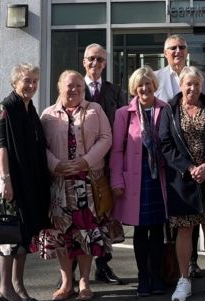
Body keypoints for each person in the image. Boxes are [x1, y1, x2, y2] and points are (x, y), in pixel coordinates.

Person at [39, 70, 112, 301]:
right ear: (59, 87)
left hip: (87, 182)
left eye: (79, 86)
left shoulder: (95, 110)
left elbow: (106, 138)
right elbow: (41, 146)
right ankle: (66, 282)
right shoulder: (48, 115)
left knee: (87, 232)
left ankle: (84, 282)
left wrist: (86, 161)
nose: (75, 90)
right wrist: (56, 165)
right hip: (60, 184)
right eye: (70, 86)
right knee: (63, 233)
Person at [159, 66, 205, 301]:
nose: (192, 88)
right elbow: (165, 144)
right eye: (188, 84)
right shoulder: (169, 108)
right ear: (180, 85)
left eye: (196, 84)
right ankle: (184, 280)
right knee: (185, 229)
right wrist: (188, 168)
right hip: (183, 180)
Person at [155, 34, 205, 277]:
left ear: (187, 51)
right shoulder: (156, 78)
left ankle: (192, 262)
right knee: (173, 217)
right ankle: (172, 268)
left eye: (181, 47)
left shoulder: (201, 78)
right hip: (169, 159)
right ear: (165, 52)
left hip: (201, 162)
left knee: (200, 216)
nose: (177, 51)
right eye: (172, 48)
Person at [0, 63, 50, 301]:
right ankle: (4, 288)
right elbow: (1, 147)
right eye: (27, 81)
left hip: (29, 179)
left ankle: (18, 285)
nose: (32, 86)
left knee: (25, 233)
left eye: (35, 81)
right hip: (10, 179)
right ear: (14, 82)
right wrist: (6, 181)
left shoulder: (30, 108)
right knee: (9, 233)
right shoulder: (3, 108)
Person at [110, 66, 168, 296]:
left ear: (155, 85)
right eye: (140, 84)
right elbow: (116, 150)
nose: (145, 88)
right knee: (141, 232)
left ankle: (158, 277)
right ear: (134, 88)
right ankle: (143, 278)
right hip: (135, 179)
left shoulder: (165, 109)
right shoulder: (124, 113)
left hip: (159, 177)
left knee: (158, 231)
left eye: (148, 83)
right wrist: (116, 180)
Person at [82, 43, 126, 284]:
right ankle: (76, 273)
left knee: (105, 216)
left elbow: (123, 128)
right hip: (80, 165)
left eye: (99, 60)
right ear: (84, 62)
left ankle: (103, 265)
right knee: (81, 216)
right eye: (91, 59)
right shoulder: (74, 88)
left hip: (107, 165)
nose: (95, 64)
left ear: (105, 64)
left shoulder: (115, 91)